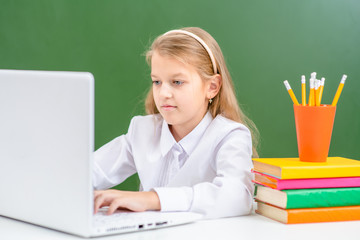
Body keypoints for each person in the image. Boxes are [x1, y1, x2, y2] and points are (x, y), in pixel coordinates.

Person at [93, 27, 259, 219]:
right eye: (157, 82)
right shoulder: (143, 131)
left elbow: (237, 196)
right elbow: (90, 171)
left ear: (212, 87)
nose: (163, 93)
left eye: (177, 82)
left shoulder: (230, 136)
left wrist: (153, 199)